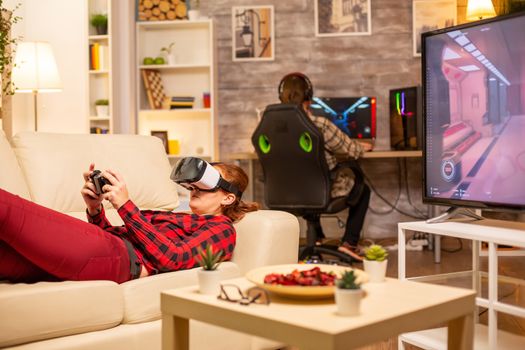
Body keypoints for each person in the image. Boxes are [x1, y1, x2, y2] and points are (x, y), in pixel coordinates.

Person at [0, 161, 258, 283]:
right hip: (108, 251)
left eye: (206, 184)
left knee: (6, 209)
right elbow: (109, 237)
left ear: (228, 198)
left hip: (123, 260)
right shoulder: (178, 217)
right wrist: (95, 208)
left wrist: (124, 205)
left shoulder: (220, 229)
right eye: (192, 184)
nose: (194, 188)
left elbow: (173, 258)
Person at [278, 72, 372, 262]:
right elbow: (351, 150)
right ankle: (349, 244)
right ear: (309, 98)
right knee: (363, 189)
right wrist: (361, 147)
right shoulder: (318, 124)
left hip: (286, 193)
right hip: (321, 192)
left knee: (311, 183)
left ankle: (318, 240)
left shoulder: (272, 124)